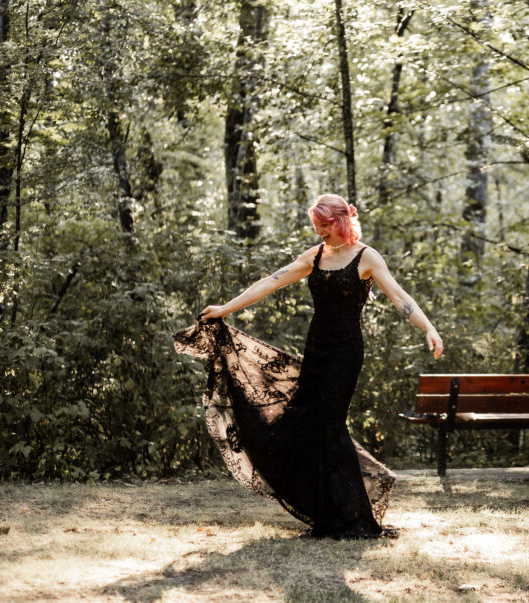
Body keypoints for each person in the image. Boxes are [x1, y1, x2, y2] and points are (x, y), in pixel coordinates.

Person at [174, 193, 442, 539]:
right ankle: (329, 513)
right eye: (316, 229)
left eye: (324, 228)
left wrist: (429, 328)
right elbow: (271, 282)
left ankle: (354, 517)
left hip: (345, 353)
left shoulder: (367, 258)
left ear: (341, 221)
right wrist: (226, 308)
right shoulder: (314, 256)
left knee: (329, 426)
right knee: (306, 425)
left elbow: (400, 297)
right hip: (316, 349)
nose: (320, 235)